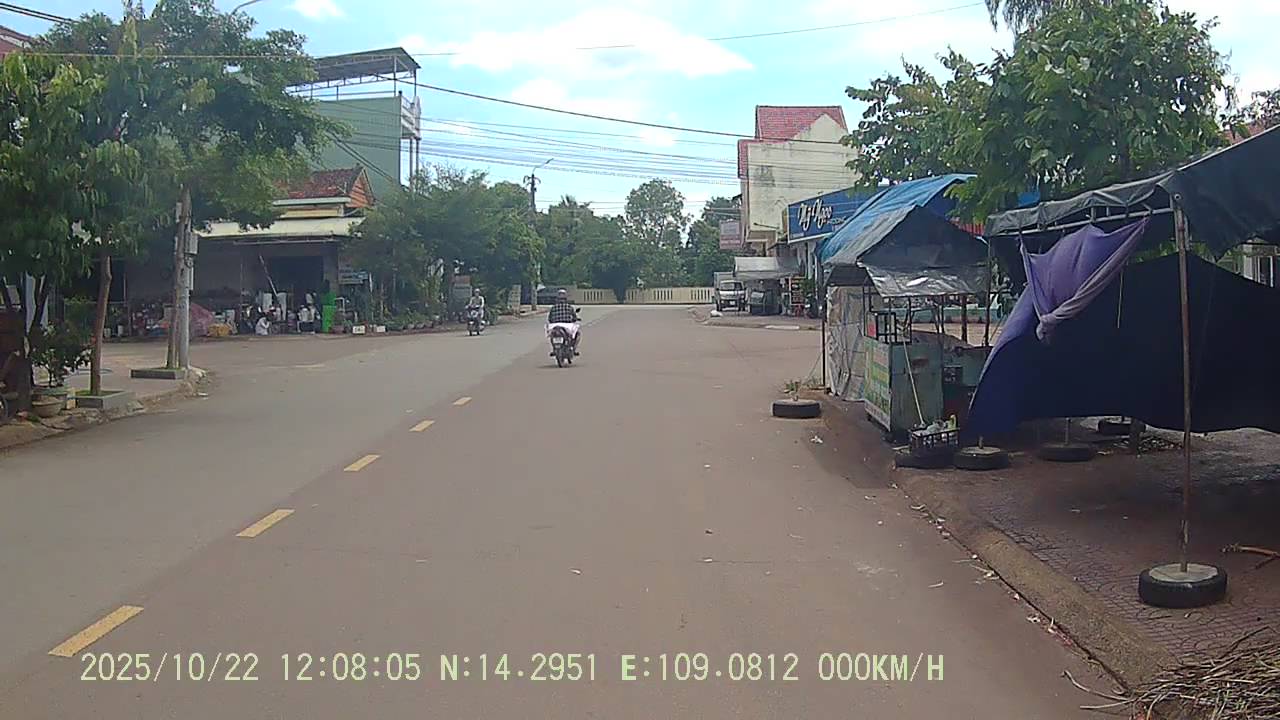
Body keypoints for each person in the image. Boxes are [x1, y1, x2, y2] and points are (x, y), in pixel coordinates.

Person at [546, 288, 580, 355]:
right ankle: (573, 349)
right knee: (577, 333)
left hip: (555, 325)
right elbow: (574, 317)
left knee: (552, 335)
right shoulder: (569, 307)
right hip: (567, 325)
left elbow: (550, 318)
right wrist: (575, 319)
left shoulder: (553, 307)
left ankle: (554, 349)